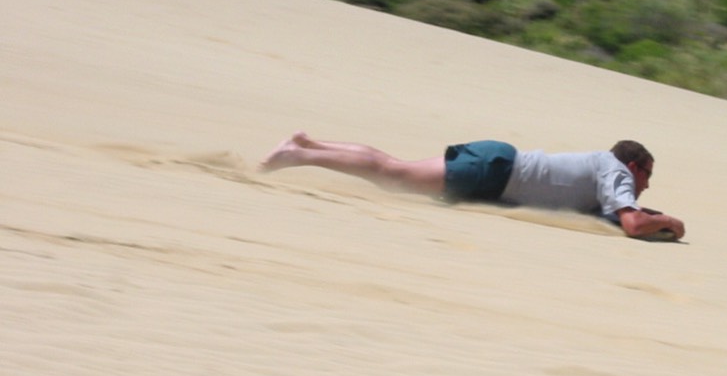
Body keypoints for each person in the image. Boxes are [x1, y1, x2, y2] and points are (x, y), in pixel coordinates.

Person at [259, 132, 685, 240]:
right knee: (392, 175)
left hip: (496, 167)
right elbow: (631, 223)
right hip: (494, 171)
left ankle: (308, 144)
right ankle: (299, 155)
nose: (644, 188)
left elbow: (620, 216)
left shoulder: (607, 173)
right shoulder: (616, 172)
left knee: (394, 169)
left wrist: (654, 221)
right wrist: (672, 222)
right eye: (646, 178)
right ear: (634, 166)